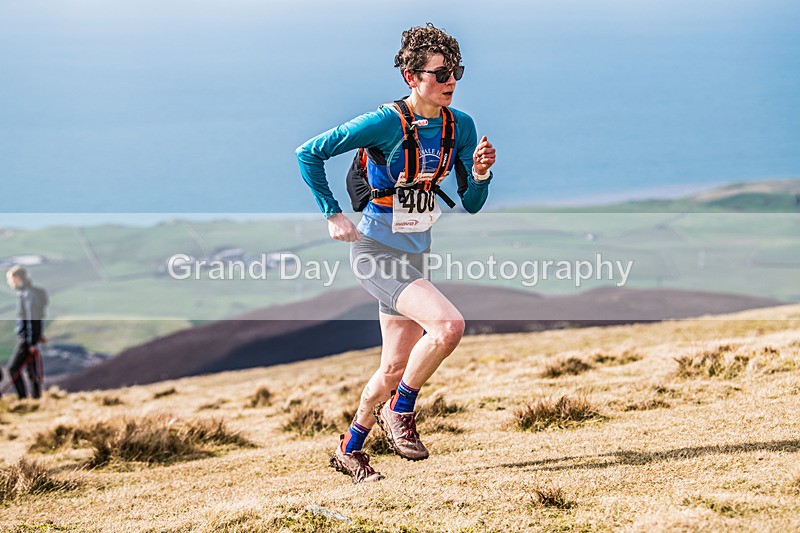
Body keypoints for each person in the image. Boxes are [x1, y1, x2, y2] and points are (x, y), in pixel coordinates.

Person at [296, 23, 496, 483]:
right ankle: (400, 411)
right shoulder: (384, 122)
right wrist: (332, 213)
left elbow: (471, 202)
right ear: (411, 76)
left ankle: (350, 449)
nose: (451, 80)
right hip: (375, 251)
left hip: (415, 253)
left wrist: (481, 174)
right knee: (448, 327)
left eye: (457, 70)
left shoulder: (460, 126)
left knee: (391, 367)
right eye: (440, 72)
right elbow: (308, 153)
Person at [5, 266, 48, 399]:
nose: (9, 283)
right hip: (30, 338)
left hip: (26, 339)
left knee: (13, 369)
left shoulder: (28, 294)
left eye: (10, 279)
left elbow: (32, 318)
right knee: (31, 369)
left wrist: (32, 342)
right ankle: (35, 398)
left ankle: (23, 398)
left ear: (17, 278)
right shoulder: (29, 293)